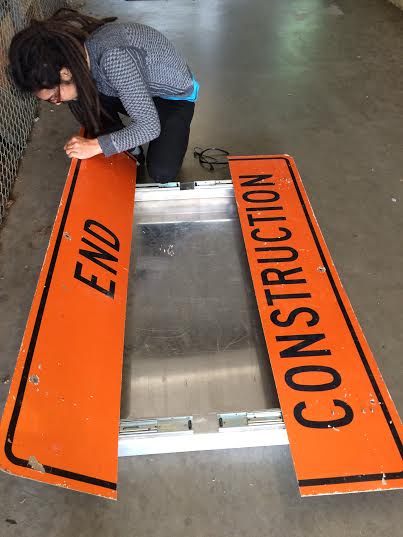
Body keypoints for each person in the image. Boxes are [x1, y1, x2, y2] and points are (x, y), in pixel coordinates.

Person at [8, 8, 199, 182]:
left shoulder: (113, 59)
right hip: (135, 86)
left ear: (65, 73)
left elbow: (149, 127)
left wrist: (95, 146)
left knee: (161, 172)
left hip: (171, 98)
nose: (57, 103)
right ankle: (133, 151)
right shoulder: (78, 56)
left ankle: (146, 138)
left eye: (54, 97)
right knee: (81, 100)